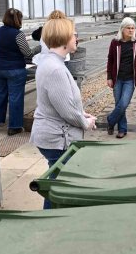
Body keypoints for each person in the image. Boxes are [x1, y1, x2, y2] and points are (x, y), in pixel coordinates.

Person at [30, 15, 97, 209]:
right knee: (58, 189)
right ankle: (51, 223)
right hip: (57, 138)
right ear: (64, 37)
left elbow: (61, 104)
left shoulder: (51, 62)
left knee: (56, 183)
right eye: (74, 34)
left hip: (53, 133)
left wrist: (82, 114)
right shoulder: (55, 69)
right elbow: (67, 111)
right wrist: (86, 123)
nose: (77, 38)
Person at [0, 8, 35, 136]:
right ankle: (14, 126)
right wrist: (36, 50)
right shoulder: (18, 34)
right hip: (14, 69)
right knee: (15, 97)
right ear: (18, 19)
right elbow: (27, 52)